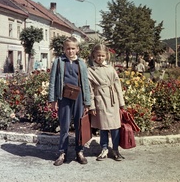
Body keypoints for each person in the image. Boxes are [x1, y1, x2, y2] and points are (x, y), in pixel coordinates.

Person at [48, 36, 91, 166]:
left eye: (73, 48)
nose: (70, 51)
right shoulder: (59, 61)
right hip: (64, 97)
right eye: (68, 48)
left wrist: (87, 102)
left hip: (79, 98)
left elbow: (86, 83)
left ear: (77, 49)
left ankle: (80, 152)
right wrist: (52, 99)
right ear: (64, 49)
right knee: (64, 126)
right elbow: (53, 81)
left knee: (79, 125)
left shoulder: (81, 63)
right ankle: (62, 153)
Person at [88, 44, 126, 161]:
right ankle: (104, 148)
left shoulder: (111, 69)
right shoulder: (90, 70)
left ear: (106, 56)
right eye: (98, 55)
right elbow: (90, 90)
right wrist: (92, 106)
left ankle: (115, 149)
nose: (100, 58)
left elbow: (117, 85)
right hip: (100, 100)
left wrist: (121, 103)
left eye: (102, 56)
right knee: (103, 127)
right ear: (93, 55)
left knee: (115, 127)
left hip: (112, 100)